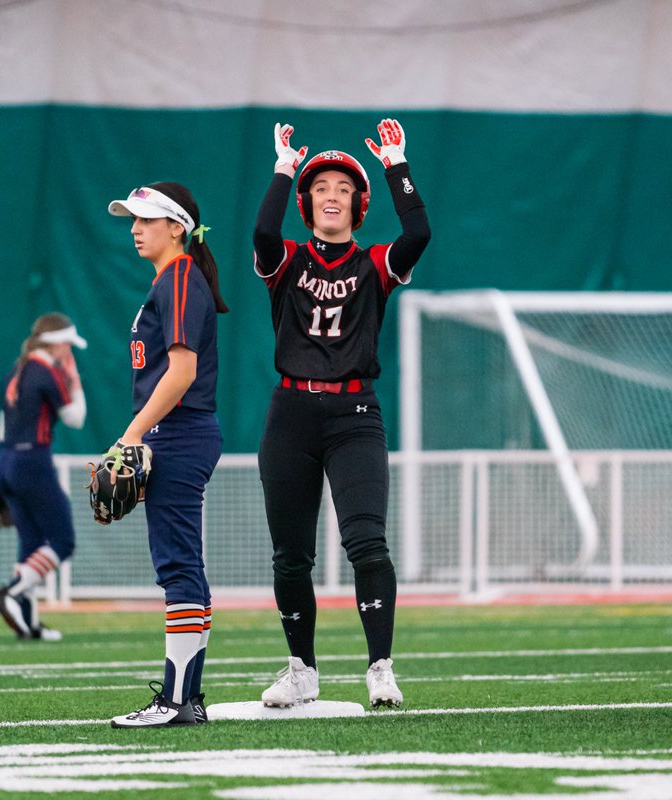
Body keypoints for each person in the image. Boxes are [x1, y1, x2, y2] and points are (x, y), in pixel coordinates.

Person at [252, 119, 430, 709]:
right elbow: (260, 230)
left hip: (355, 412)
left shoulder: (375, 262)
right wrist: (283, 168)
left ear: (358, 204)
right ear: (307, 203)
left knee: (367, 543)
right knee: (291, 553)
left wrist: (396, 166)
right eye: (321, 186)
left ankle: (380, 665)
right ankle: (301, 667)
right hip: (291, 415)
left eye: (343, 189)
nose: (332, 195)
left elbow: (419, 231)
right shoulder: (287, 261)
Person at [105, 182, 227, 728]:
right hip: (183, 431)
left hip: (177, 432)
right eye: (131, 219)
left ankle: (177, 701)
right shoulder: (174, 280)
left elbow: (182, 371)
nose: (135, 228)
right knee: (186, 565)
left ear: (176, 227)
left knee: (177, 565)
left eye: (146, 219)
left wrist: (131, 436)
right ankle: (188, 698)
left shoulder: (179, 278)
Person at [0, 312, 88, 641]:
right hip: (34, 461)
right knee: (62, 541)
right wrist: (74, 377)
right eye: (68, 347)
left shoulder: (13, 372)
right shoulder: (47, 371)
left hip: (6, 461)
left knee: (30, 542)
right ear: (58, 344)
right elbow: (75, 418)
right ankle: (12, 592)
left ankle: (28, 624)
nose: (69, 353)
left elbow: (4, 427)